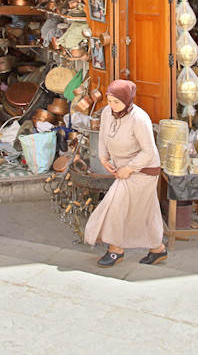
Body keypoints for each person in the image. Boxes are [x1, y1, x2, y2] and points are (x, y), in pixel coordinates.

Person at [84, 79, 167, 267]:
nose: (112, 105)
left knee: (114, 206)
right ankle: (158, 249)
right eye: (109, 101)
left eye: (116, 102)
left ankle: (116, 250)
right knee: (144, 212)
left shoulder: (139, 119)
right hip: (123, 169)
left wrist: (128, 169)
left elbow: (149, 152)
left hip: (143, 171)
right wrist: (104, 158)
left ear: (127, 100)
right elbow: (103, 136)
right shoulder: (107, 112)